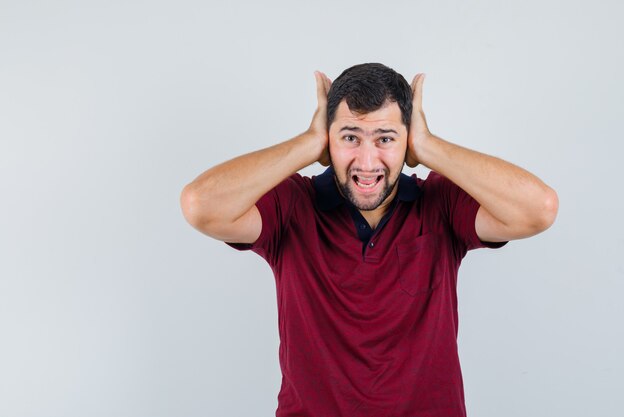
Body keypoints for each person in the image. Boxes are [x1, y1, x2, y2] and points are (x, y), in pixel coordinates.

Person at [180, 63, 558, 417]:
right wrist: (308, 142)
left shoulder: (440, 202)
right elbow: (201, 206)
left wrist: (428, 147)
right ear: (329, 140)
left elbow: (538, 209)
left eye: (385, 138)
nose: (366, 160)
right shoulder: (292, 205)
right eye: (350, 137)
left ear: (407, 140)